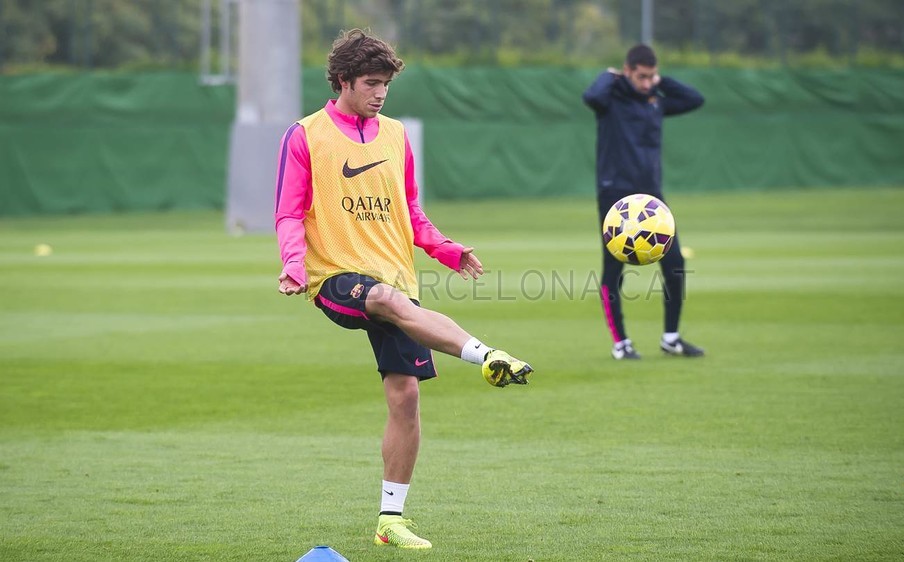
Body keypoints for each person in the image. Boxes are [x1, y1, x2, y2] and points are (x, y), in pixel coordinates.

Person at [274, 28, 533, 550]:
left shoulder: (394, 135)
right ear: (343, 80)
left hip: (393, 274)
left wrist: (448, 250)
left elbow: (411, 212)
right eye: (372, 83)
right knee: (386, 301)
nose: (380, 93)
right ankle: (487, 357)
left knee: (405, 396)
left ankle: (390, 520)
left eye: (386, 85)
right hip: (336, 278)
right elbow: (289, 211)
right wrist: (295, 265)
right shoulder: (305, 135)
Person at [583, 44, 706, 361]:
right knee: (614, 269)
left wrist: (660, 82)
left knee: (675, 262)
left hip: (652, 200)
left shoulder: (655, 101)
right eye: (642, 76)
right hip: (617, 199)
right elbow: (591, 97)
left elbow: (694, 100)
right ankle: (620, 343)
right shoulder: (611, 99)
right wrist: (609, 76)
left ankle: (671, 338)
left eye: (652, 76)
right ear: (627, 71)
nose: (647, 82)